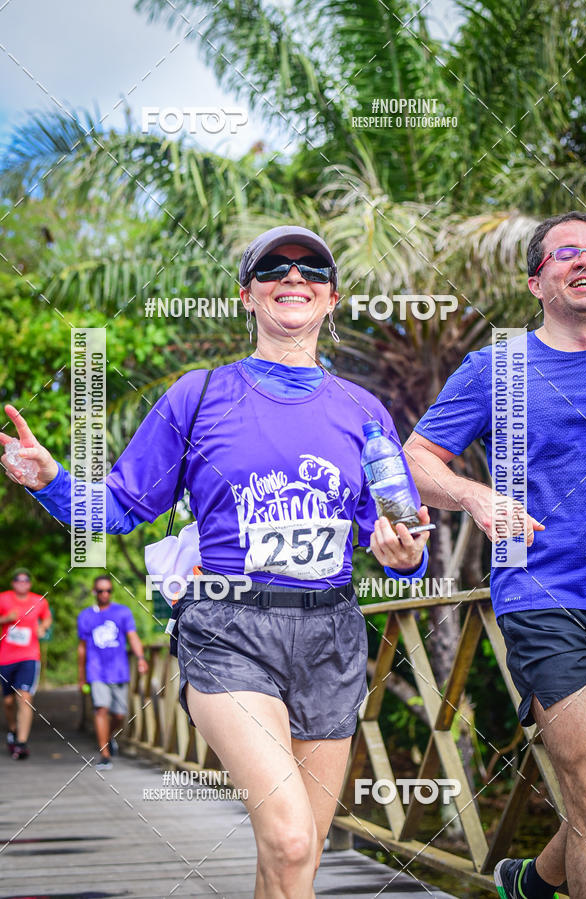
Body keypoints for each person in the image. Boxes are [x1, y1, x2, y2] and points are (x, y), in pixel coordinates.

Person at [1, 225, 431, 899]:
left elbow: (398, 529)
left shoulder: (364, 410)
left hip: (332, 638)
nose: (294, 276)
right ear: (246, 295)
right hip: (230, 632)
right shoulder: (198, 395)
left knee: (295, 859)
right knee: (291, 840)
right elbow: (119, 506)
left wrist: (406, 556)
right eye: (274, 267)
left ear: (332, 297)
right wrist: (52, 480)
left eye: (312, 268)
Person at [404, 211, 586, 899]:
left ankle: (534, 881)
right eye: (567, 253)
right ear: (536, 281)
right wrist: (474, 496)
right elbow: (415, 460)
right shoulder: (500, 368)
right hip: (548, 595)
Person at [77, 574, 148, 770]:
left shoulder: (122, 612)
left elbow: (133, 637)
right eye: (101, 591)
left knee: (119, 714)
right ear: (94, 592)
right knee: (101, 709)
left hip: (118, 670)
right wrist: (81, 676)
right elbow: (82, 648)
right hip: (96, 670)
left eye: (108, 590)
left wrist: (141, 658)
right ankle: (105, 754)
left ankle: (107, 737)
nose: (104, 594)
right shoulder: (85, 616)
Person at [0, 568, 52, 760]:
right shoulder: (3, 599)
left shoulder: (39, 601)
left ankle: (21, 744)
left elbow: (47, 618)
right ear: (13, 583)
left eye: (25, 580)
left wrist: (43, 627)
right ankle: (13, 730)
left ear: (29, 584)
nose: (22, 583)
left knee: (25, 697)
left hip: (29, 656)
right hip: (6, 657)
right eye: (18, 580)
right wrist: (5, 619)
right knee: (8, 702)